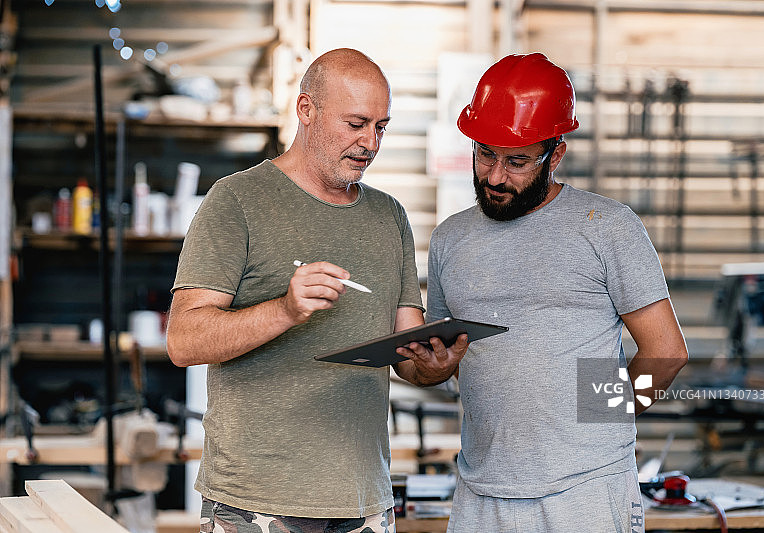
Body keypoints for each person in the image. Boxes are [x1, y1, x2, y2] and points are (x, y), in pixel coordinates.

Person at [166, 48, 467, 533]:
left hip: (364, 500)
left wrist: (434, 366)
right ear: (306, 110)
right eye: (356, 124)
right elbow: (183, 341)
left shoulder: (389, 216)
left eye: (381, 127)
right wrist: (284, 310)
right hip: (255, 501)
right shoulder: (236, 201)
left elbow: (408, 352)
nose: (370, 142)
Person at [404, 53, 689, 532]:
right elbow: (432, 360)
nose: (495, 177)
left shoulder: (607, 228)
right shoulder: (451, 238)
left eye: (516, 161)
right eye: (485, 154)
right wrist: (431, 370)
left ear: (555, 154)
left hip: (585, 492)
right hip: (480, 493)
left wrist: (598, 421)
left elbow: (666, 351)